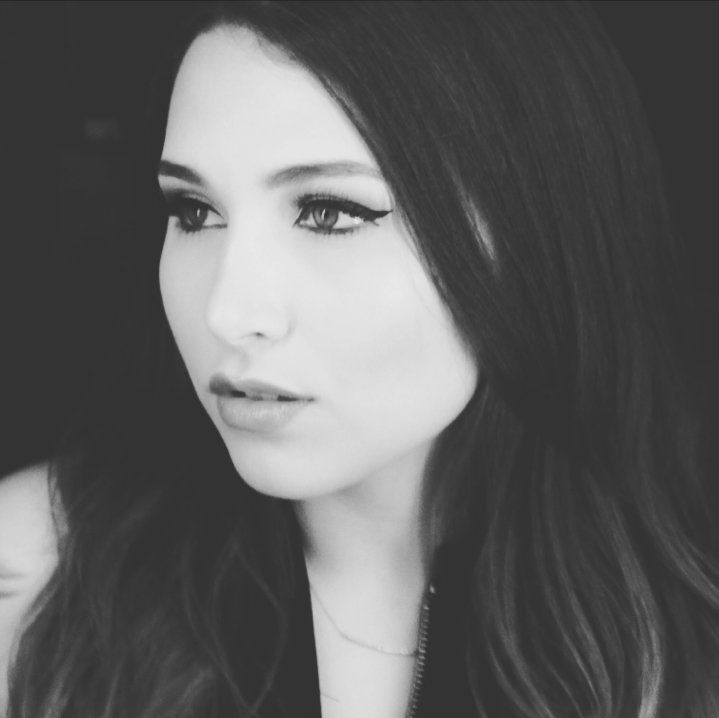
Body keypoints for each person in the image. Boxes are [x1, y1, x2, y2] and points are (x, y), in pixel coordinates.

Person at [3, 2, 718, 716]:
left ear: (533, 237)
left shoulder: (682, 628)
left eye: (329, 212)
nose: (227, 311)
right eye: (194, 211)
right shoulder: (38, 580)